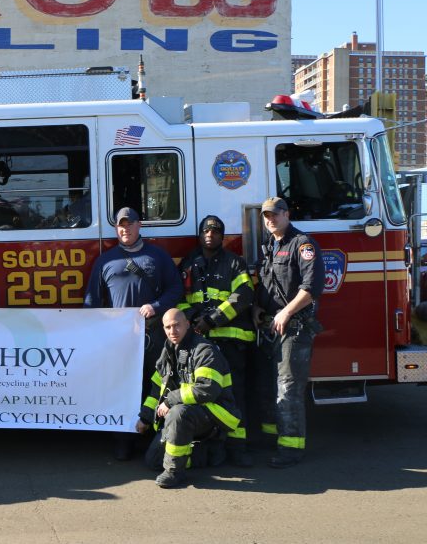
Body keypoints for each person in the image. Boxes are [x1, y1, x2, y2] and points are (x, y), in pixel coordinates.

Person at [84, 206, 183, 460]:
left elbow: (175, 289)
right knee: (123, 388)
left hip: (154, 335)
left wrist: (156, 306)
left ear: (140, 226)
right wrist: (98, 332)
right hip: (120, 338)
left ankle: (154, 439)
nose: (124, 229)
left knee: (157, 385)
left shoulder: (158, 256)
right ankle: (123, 441)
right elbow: (92, 301)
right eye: (120, 225)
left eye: (129, 224)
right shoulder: (105, 260)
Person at [176, 214, 256, 467]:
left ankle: (238, 447)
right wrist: (191, 319)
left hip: (230, 341)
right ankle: (213, 446)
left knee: (235, 394)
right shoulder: (189, 263)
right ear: (200, 235)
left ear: (223, 236)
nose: (210, 235)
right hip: (200, 344)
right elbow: (179, 297)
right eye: (206, 231)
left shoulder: (235, 263)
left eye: (215, 231)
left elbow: (243, 295)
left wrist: (212, 319)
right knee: (204, 394)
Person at [254, 197, 325, 468]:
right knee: (270, 385)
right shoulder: (270, 246)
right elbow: (267, 285)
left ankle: (291, 449)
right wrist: (257, 309)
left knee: (288, 389)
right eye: (266, 216)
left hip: (294, 328)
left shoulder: (302, 244)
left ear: (287, 214)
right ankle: (275, 439)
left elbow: (312, 287)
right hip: (272, 326)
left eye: (275, 214)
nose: (270, 220)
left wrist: (287, 312)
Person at [136, 308, 241, 488]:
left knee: (178, 412)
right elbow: (157, 388)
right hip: (187, 413)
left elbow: (207, 389)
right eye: (168, 327)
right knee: (153, 460)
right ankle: (208, 452)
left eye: (177, 325)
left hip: (215, 412)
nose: (172, 331)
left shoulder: (204, 350)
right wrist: (145, 417)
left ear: (187, 325)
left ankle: (175, 472)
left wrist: (170, 400)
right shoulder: (168, 351)